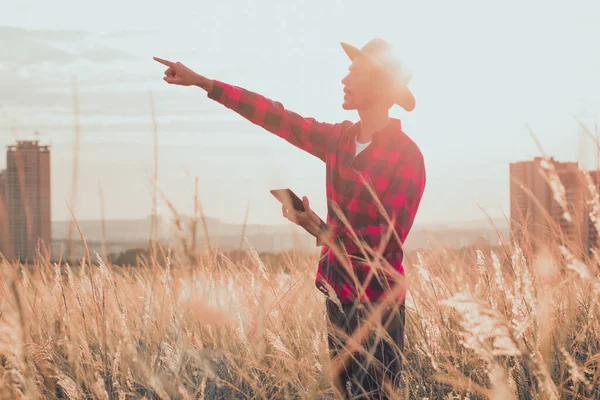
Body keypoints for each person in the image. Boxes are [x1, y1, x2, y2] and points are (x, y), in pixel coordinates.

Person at [154, 38, 426, 399]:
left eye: (355, 74)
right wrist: (204, 82)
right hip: (337, 297)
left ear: (380, 86)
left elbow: (382, 243)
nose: (344, 81)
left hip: (378, 306)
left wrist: (318, 229)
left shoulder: (406, 157)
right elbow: (276, 116)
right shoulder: (339, 140)